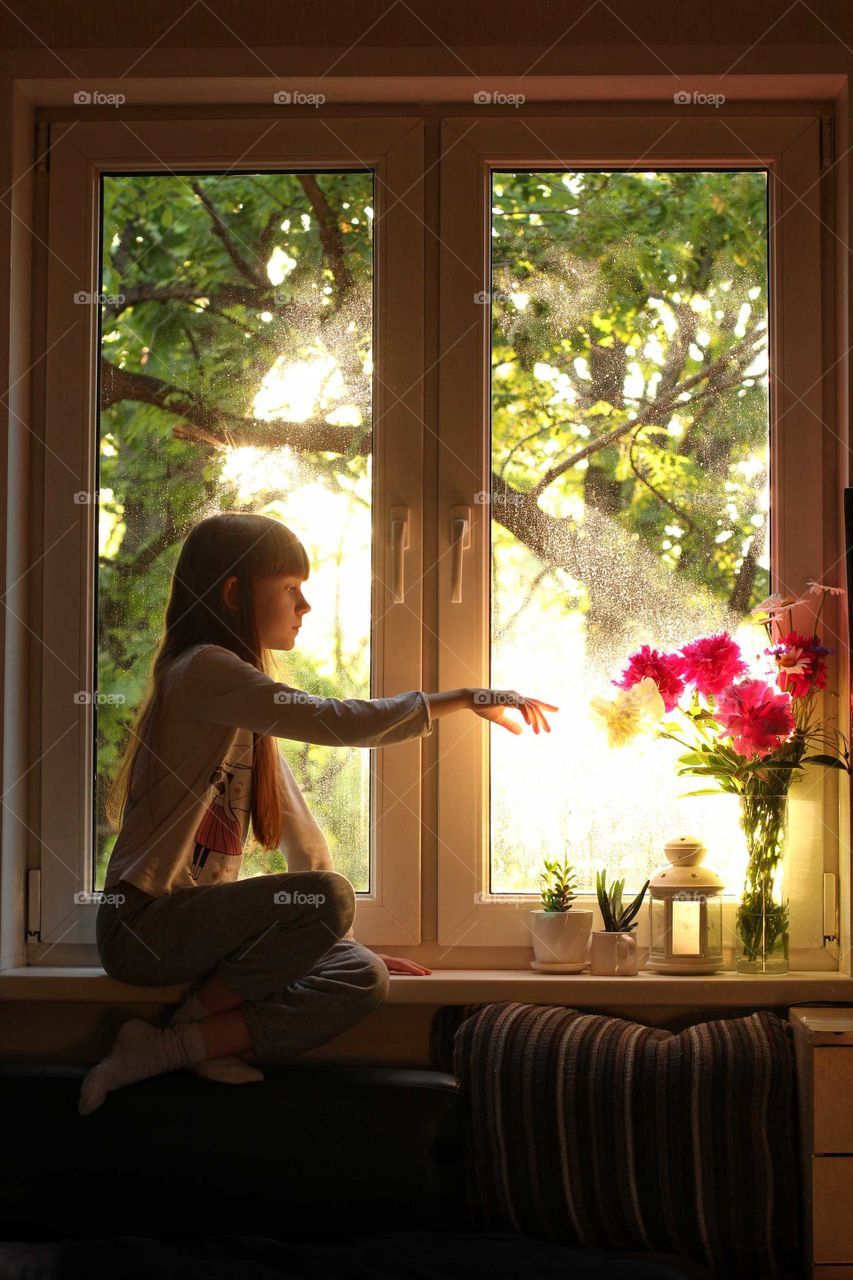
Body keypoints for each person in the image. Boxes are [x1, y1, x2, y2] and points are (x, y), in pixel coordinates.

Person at [79, 512, 558, 1115]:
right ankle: (182, 1033)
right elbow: (338, 721)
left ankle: (175, 1043)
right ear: (234, 592)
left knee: (363, 974)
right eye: (289, 588)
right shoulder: (202, 668)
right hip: (142, 927)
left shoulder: (241, 707)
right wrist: (465, 697)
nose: (304, 605)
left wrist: (334, 937)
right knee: (329, 897)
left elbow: (304, 841)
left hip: (195, 931)